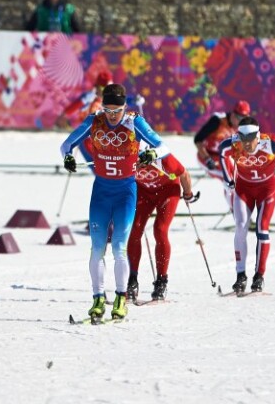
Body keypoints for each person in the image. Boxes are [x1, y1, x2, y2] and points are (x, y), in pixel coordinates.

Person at [60, 83, 167, 322]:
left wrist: (153, 153)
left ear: (124, 107)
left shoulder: (134, 122)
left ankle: (120, 298)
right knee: (97, 248)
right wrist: (67, 157)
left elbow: (163, 146)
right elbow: (66, 144)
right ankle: (98, 299)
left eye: (116, 111)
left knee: (119, 247)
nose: (112, 115)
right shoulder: (94, 120)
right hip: (100, 193)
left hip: (125, 193)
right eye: (108, 110)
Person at [218, 117, 275, 294]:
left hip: (266, 190)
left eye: (250, 139)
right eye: (243, 139)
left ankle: (259, 276)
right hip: (244, 190)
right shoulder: (234, 144)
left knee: (262, 228)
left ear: (258, 136)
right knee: (240, 227)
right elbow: (221, 151)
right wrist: (227, 178)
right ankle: (240, 276)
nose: (247, 144)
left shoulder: (270, 143)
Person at [127, 147, 198, 302]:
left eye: (140, 161)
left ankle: (161, 280)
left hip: (168, 191)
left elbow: (184, 174)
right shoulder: (127, 157)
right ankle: (132, 280)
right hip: (144, 192)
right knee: (135, 230)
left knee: (160, 230)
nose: (138, 164)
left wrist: (188, 194)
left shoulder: (164, 158)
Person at [193, 99, 251, 212]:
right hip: (206, 156)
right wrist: (207, 159)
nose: (241, 122)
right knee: (228, 179)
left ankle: (242, 209)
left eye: (244, 119)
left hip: (223, 158)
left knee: (239, 180)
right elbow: (197, 139)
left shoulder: (243, 127)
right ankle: (236, 211)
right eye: (239, 118)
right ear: (233, 114)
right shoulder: (218, 120)